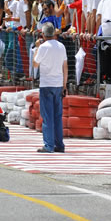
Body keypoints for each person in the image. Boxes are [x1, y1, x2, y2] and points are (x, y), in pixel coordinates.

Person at [33, 23, 67, 153]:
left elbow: (35, 64)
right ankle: (59, 144)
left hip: (46, 83)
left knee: (47, 116)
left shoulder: (42, 47)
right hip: (58, 83)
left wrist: (37, 48)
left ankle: (49, 145)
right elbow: (65, 67)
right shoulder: (61, 46)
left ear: (43, 34)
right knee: (58, 116)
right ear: (54, 33)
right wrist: (64, 85)